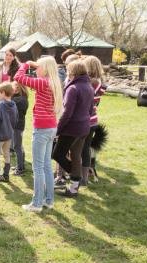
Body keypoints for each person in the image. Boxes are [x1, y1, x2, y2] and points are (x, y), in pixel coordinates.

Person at [14, 56, 63, 212]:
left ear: (46, 69)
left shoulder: (42, 83)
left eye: (38, 68)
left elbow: (18, 77)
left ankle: (37, 203)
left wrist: (26, 63)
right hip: (51, 127)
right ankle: (49, 200)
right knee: (47, 166)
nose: (36, 70)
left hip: (42, 129)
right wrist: (37, 65)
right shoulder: (54, 82)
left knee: (38, 168)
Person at [52, 60, 94, 198]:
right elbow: (90, 110)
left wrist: (57, 129)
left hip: (72, 128)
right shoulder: (89, 86)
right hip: (84, 127)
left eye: (68, 70)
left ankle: (75, 175)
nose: (67, 72)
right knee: (76, 156)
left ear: (73, 72)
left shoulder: (73, 88)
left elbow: (66, 113)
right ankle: (74, 189)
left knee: (57, 154)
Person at [80, 56, 106, 185]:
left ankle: (82, 176)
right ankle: (84, 175)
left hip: (85, 119)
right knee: (85, 149)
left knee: (82, 149)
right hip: (93, 118)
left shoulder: (92, 83)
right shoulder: (100, 82)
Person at [0, 82, 18, 183]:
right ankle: (6, 175)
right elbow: (15, 120)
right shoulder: (14, 105)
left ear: (4, 93)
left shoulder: (0, 106)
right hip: (9, 135)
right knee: (6, 154)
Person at [11, 81, 29, 176]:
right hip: (18, 125)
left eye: (17, 87)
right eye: (14, 87)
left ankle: (20, 168)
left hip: (17, 125)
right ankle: (21, 165)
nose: (14, 89)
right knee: (19, 146)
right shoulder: (20, 98)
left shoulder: (19, 100)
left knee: (17, 146)